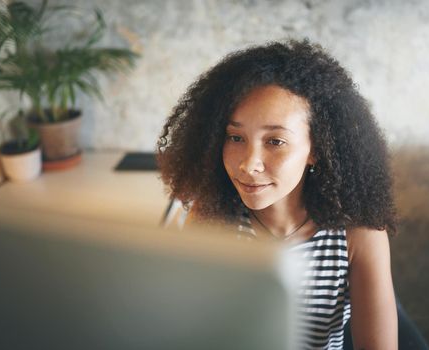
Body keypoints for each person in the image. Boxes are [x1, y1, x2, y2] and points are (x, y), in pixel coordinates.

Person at [157, 39, 398, 349]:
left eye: (275, 142)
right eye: (235, 137)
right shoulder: (210, 219)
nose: (248, 164)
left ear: (316, 150)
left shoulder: (358, 235)